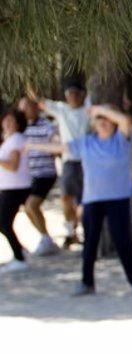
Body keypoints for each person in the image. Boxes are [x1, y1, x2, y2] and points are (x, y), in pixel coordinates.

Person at [28, 103, 132, 296]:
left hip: (118, 199)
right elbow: (62, 147)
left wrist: (101, 110)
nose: (104, 123)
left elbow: (125, 121)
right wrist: (31, 146)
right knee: (90, 243)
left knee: (123, 240)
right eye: (99, 121)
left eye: (107, 120)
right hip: (93, 200)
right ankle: (87, 282)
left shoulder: (121, 140)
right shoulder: (86, 142)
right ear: (93, 124)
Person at [27, 83, 90, 246]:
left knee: (85, 198)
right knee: (66, 197)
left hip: (87, 160)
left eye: (76, 94)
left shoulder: (87, 110)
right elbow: (39, 101)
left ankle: (85, 228)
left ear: (81, 95)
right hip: (69, 160)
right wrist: (29, 82)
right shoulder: (61, 110)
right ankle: (71, 231)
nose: (73, 97)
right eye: (70, 94)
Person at [17, 98, 61, 257]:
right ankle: (45, 237)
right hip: (29, 175)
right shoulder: (20, 128)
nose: (24, 112)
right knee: (28, 208)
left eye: (27, 108)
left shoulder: (46, 126)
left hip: (45, 173)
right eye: (22, 109)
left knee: (31, 205)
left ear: (35, 108)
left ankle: (46, 239)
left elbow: (56, 144)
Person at [1, 110, 31, 273]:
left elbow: (13, 166)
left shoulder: (16, 140)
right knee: (3, 223)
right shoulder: (9, 140)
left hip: (15, 188)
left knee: (4, 222)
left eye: (11, 121)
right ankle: (19, 251)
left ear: (18, 124)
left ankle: (19, 258)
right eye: (5, 120)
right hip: (9, 187)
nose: (7, 123)